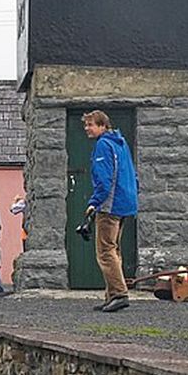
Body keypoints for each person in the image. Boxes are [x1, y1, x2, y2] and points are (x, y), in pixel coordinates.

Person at [82, 110, 139, 313]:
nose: (87, 129)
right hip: (125, 203)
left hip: (110, 205)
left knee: (105, 251)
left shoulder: (103, 146)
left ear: (102, 126)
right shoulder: (120, 144)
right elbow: (133, 175)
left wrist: (94, 202)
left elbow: (104, 179)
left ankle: (118, 294)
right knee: (114, 251)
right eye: (86, 125)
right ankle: (111, 295)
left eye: (90, 125)